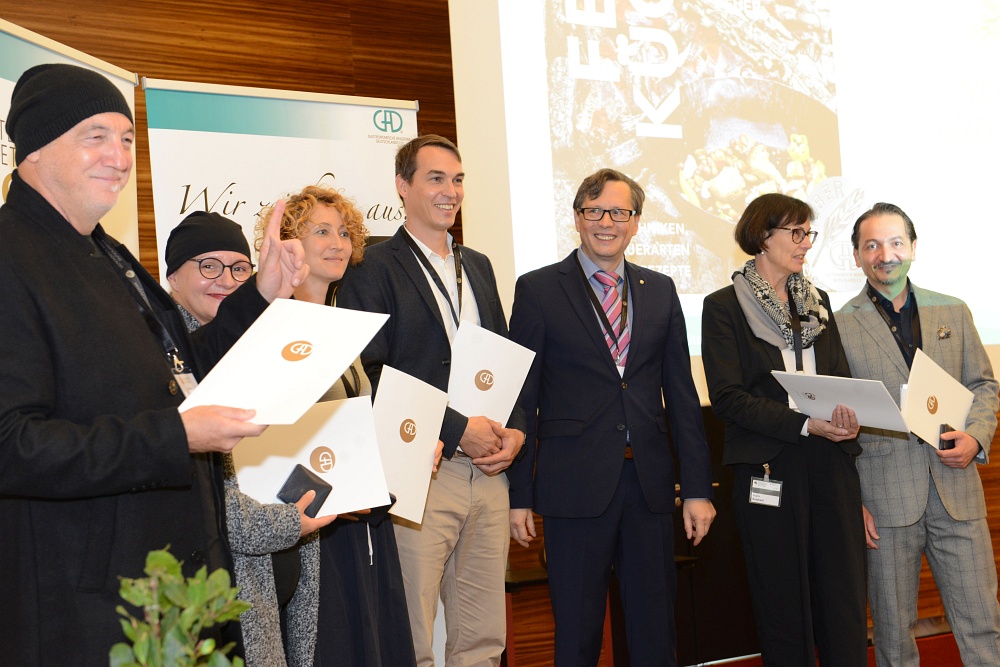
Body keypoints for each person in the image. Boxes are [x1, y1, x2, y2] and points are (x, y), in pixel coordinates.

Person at [0, 63, 307, 667]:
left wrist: (260, 295)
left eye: (125, 138)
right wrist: (176, 435)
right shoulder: (11, 258)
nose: (118, 157)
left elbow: (182, 368)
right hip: (83, 615)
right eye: (94, 136)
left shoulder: (106, 253)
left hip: (167, 600)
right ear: (34, 147)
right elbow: (12, 444)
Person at [507, 168, 716, 667]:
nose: (607, 222)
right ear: (577, 218)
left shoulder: (660, 289)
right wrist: (519, 496)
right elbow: (521, 397)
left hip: (648, 486)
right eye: (595, 211)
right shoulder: (538, 289)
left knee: (654, 632)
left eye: (619, 212)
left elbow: (682, 398)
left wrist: (697, 489)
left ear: (636, 222)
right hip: (573, 487)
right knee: (577, 637)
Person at [336, 134, 527, 667]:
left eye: (458, 179)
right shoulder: (371, 266)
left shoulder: (479, 265)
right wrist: (456, 428)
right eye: (436, 178)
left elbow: (503, 358)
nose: (451, 191)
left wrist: (515, 430)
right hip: (423, 469)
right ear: (403, 186)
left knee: (483, 638)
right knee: (414, 635)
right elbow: (372, 371)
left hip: (489, 473)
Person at [258, 184, 425, 667]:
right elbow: (269, 441)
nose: (338, 243)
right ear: (290, 243)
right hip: (315, 529)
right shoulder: (275, 326)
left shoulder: (341, 324)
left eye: (345, 233)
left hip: (362, 520)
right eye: (322, 232)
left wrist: (406, 452)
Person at [701, 193, 867, 665]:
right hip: (769, 466)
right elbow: (728, 397)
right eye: (796, 233)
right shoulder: (724, 307)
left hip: (830, 464)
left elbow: (838, 378)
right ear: (762, 236)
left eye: (808, 233)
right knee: (782, 604)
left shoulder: (818, 302)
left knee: (843, 601)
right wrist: (804, 424)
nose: (806, 244)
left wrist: (849, 416)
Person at [165, 210, 336, 667]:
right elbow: (206, 494)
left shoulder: (268, 348)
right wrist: (287, 523)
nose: (226, 279)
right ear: (172, 277)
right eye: (208, 265)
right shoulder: (165, 365)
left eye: (240, 267)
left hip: (281, 571)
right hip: (221, 592)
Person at [836, 202, 1000, 667]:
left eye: (895, 243)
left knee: (983, 623)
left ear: (912, 248)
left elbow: (984, 385)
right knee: (893, 637)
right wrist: (852, 500)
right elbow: (835, 420)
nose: (884, 255)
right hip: (883, 503)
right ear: (856, 256)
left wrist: (976, 437)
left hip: (957, 491)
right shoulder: (839, 325)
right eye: (871, 245)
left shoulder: (953, 310)